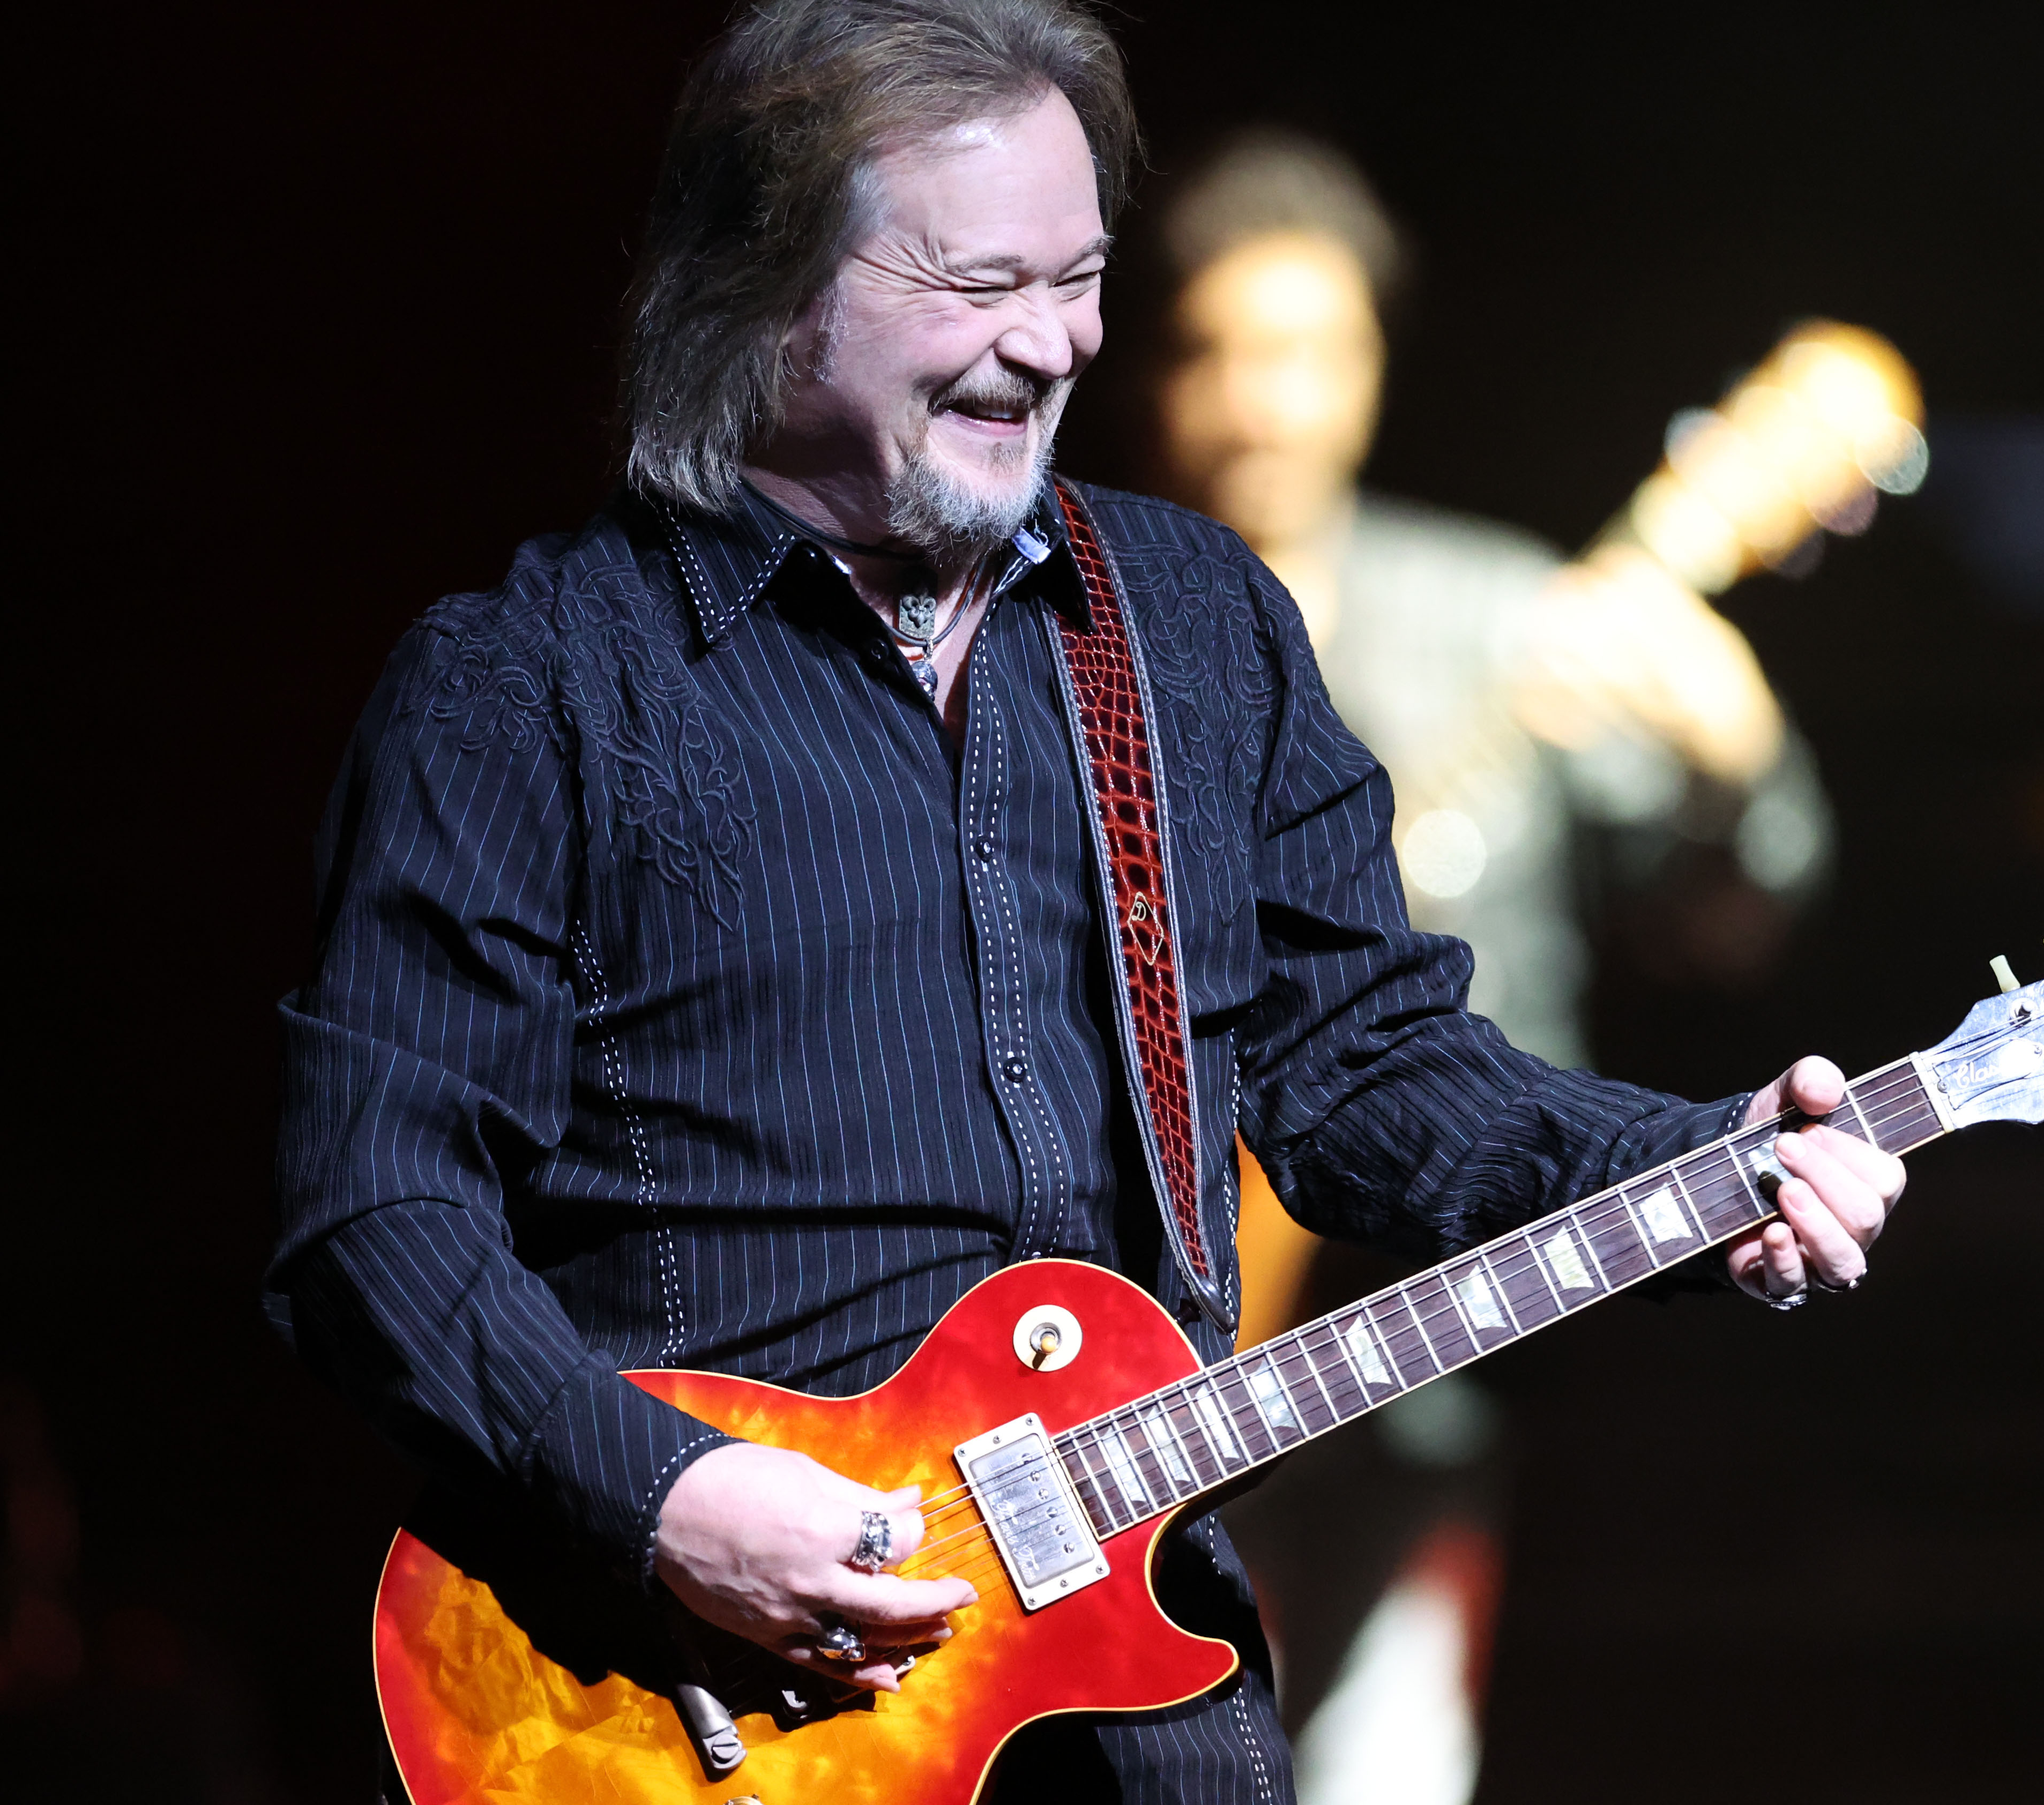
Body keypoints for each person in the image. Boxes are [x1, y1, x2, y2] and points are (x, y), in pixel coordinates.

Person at [266, 4, 1905, 1800]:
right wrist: (663, 1503)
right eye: (980, 282)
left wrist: (1694, 1163)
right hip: (685, 1714)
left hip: (1135, 1700)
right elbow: (374, 1217)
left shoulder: (1193, 629)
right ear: (767, 284)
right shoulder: (530, 688)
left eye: (1083, 277)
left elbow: (1368, 1066)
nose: (1051, 347)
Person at [1139, 135, 1839, 1801]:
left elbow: (1722, 926)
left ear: (1374, 369)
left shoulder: (1502, 619)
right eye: (1220, 351)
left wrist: (1735, 754)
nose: (1264, 404)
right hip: (1119, 1378)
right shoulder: (1076, 620)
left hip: (1424, 1374)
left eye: (1307, 352)